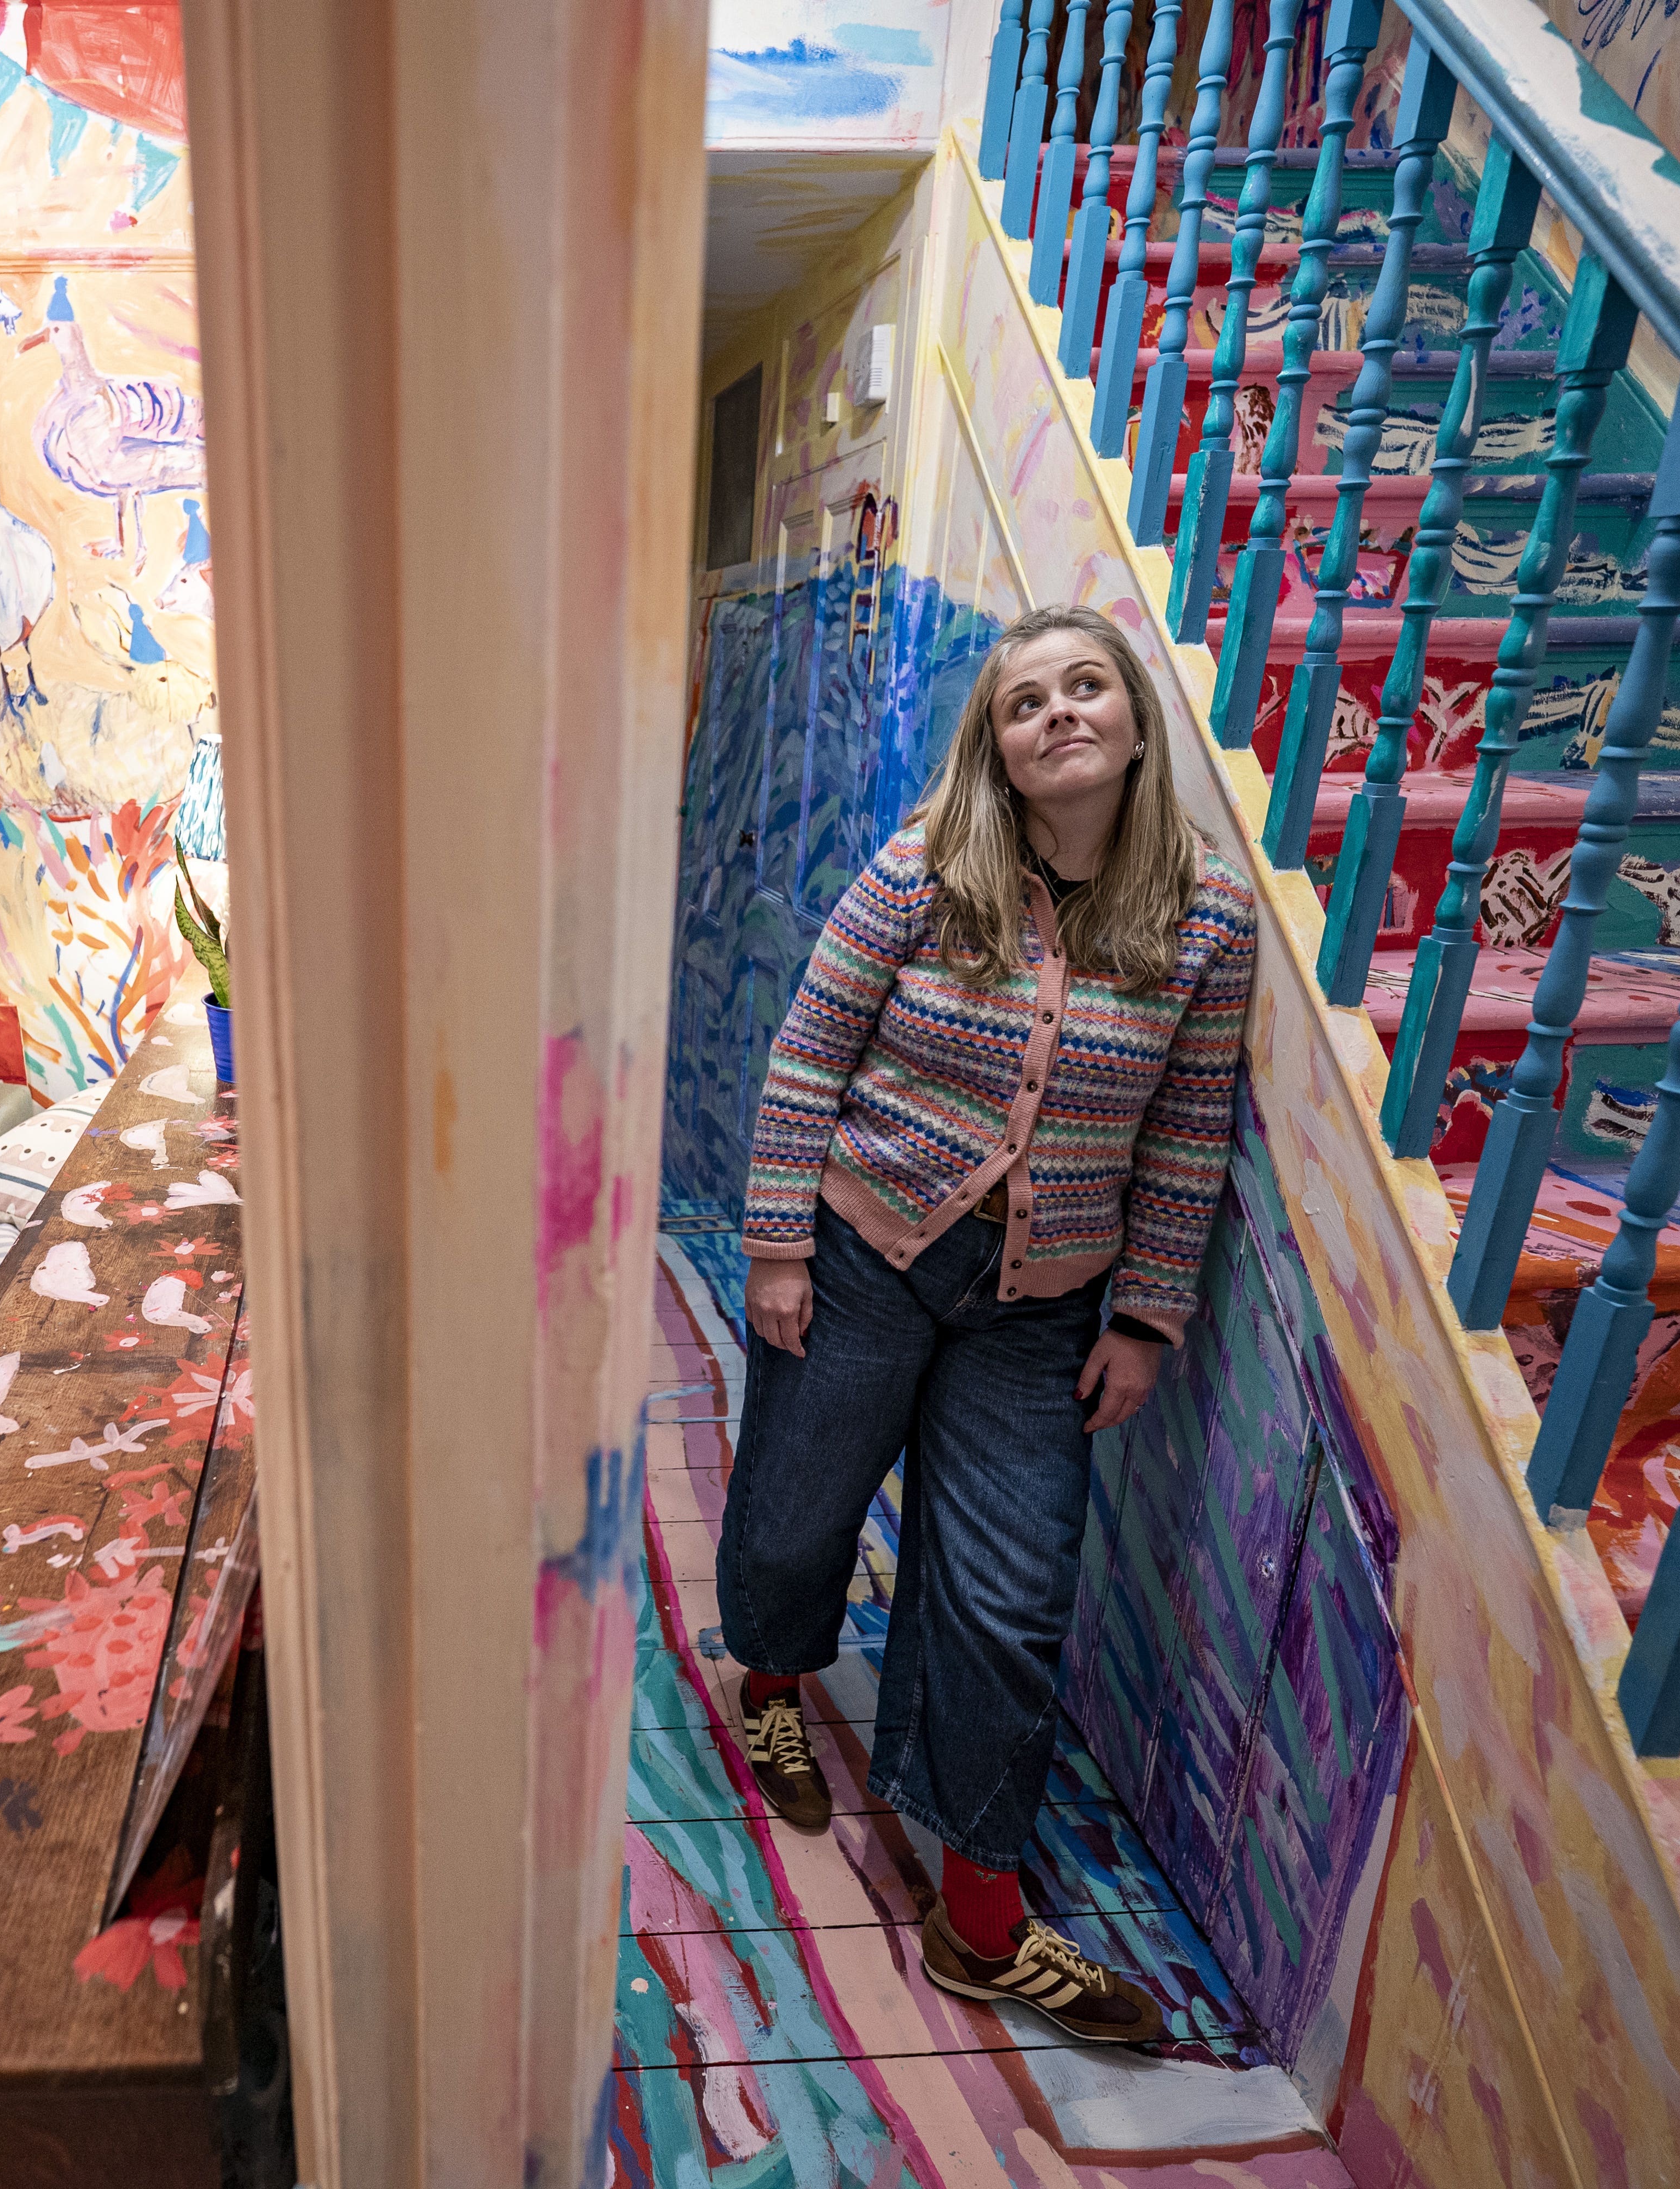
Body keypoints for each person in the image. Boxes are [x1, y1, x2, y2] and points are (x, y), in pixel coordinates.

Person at [717, 603, 1257, 2039]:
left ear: (1137, 723)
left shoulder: (1207, 919)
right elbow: (806, 1053)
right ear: (1000, 750)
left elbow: (1191, 1131)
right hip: (866, 1254)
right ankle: (775, 1673)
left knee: (1009, 1597)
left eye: (1089, 689)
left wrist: (1146, 1317)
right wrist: (781, 1245)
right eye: (1028, 703)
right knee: (799, 1505)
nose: (1060, 715)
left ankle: (981, 1919)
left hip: (1041, 1309)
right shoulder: (924, 870)